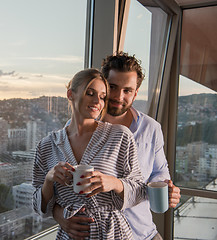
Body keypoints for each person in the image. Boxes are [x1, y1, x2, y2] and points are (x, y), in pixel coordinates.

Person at [52, 52, 181, 240]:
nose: (119, 96)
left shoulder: (151, 129)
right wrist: (60, 216)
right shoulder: (73, 132)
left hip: (143, 234)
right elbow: (56, 189)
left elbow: (159, 172)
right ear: (103, 86)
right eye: (113, 87)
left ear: (136, 93)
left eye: (127, 90)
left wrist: (169, 189)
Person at [32, 68, 147, 239]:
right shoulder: (47, 145)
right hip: (70, 235)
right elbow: (37, 205)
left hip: (113, 234)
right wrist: (49, 179)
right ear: (70, 94)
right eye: (90, 93)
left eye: (102, 97)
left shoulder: (120, 136)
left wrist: (113, 183)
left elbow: (140, 191)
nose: (97, 101)